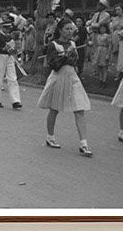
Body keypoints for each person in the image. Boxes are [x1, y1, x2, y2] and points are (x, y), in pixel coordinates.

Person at [37, 19, 93, 156]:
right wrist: (66, 55)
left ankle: (84, 144)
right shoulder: (53, 45)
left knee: (79, 109)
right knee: (54, 109)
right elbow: (54, 64)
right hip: (58, 78)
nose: (70, 31)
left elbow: (75, 61)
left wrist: (71, 56)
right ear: (60, 30)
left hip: (72, 78)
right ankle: (50, 137)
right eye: (67, 29)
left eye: (71, 29)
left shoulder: (73, 44)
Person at [0, 14, 22, 109]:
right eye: (6, 28)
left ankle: (15, 100)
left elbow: (13, 47)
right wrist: (5, 49)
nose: (8, 30)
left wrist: (15, 51)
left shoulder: (9, 37)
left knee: (13, 78)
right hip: (1, 57)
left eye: (9, 29)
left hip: (9, 57)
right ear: (3, 28)